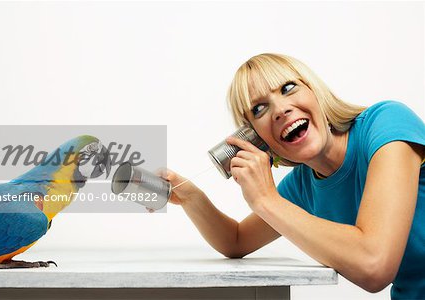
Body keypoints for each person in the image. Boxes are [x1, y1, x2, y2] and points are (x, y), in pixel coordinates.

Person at [162, 53, 425, 299]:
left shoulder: (386, 124)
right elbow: (236, 240)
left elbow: (374, 265)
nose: (280, 109)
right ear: (256, 138)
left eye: (287, 88)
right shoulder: (303, 184)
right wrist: (190, 197)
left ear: (315, 92)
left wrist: (266, 200)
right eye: (259, 109)